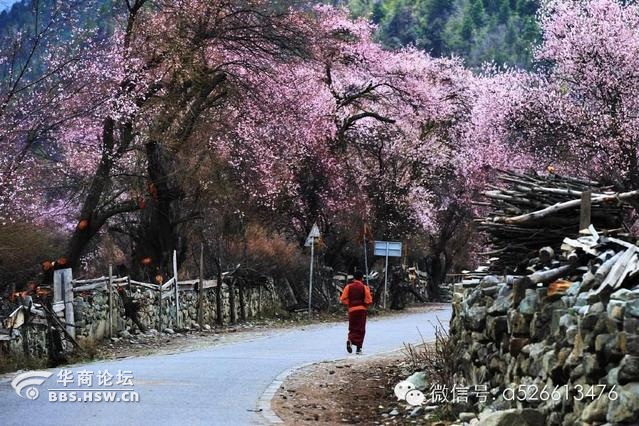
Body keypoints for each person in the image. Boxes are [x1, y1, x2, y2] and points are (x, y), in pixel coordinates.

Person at [339, 270, 373, 354]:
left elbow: (342, 299)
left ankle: (350, 340)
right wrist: (364, 304)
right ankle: (359, 348)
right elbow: (369, 300)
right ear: (362, 278)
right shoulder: (364, 287)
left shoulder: (348, 287)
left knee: (352, 327)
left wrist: (349, 303)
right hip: (361, 310)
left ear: (354, 278)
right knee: (361, 329)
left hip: (352, 310)